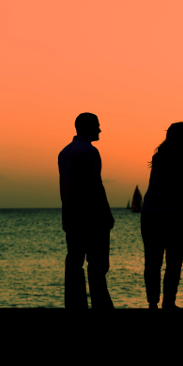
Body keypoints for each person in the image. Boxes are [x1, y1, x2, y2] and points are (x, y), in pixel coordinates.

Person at [140, 122, 183, 310]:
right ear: (182, 138)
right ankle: (168, 303)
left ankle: (153, 303)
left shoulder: (159, 158)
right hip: (176, 215)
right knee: (173, 262)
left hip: (151, 214)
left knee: (152, 261)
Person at [58, 112, 115, 309]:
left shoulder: (64, 153)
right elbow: (95, 185)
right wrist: (106, 213)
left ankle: (75, 304)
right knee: (98, 265)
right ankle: (101, 304)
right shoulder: (90, 151)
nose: (100, 129)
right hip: (92, 217)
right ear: (87, 127)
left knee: (74, 262)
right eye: (97, 125)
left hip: (71, 216)